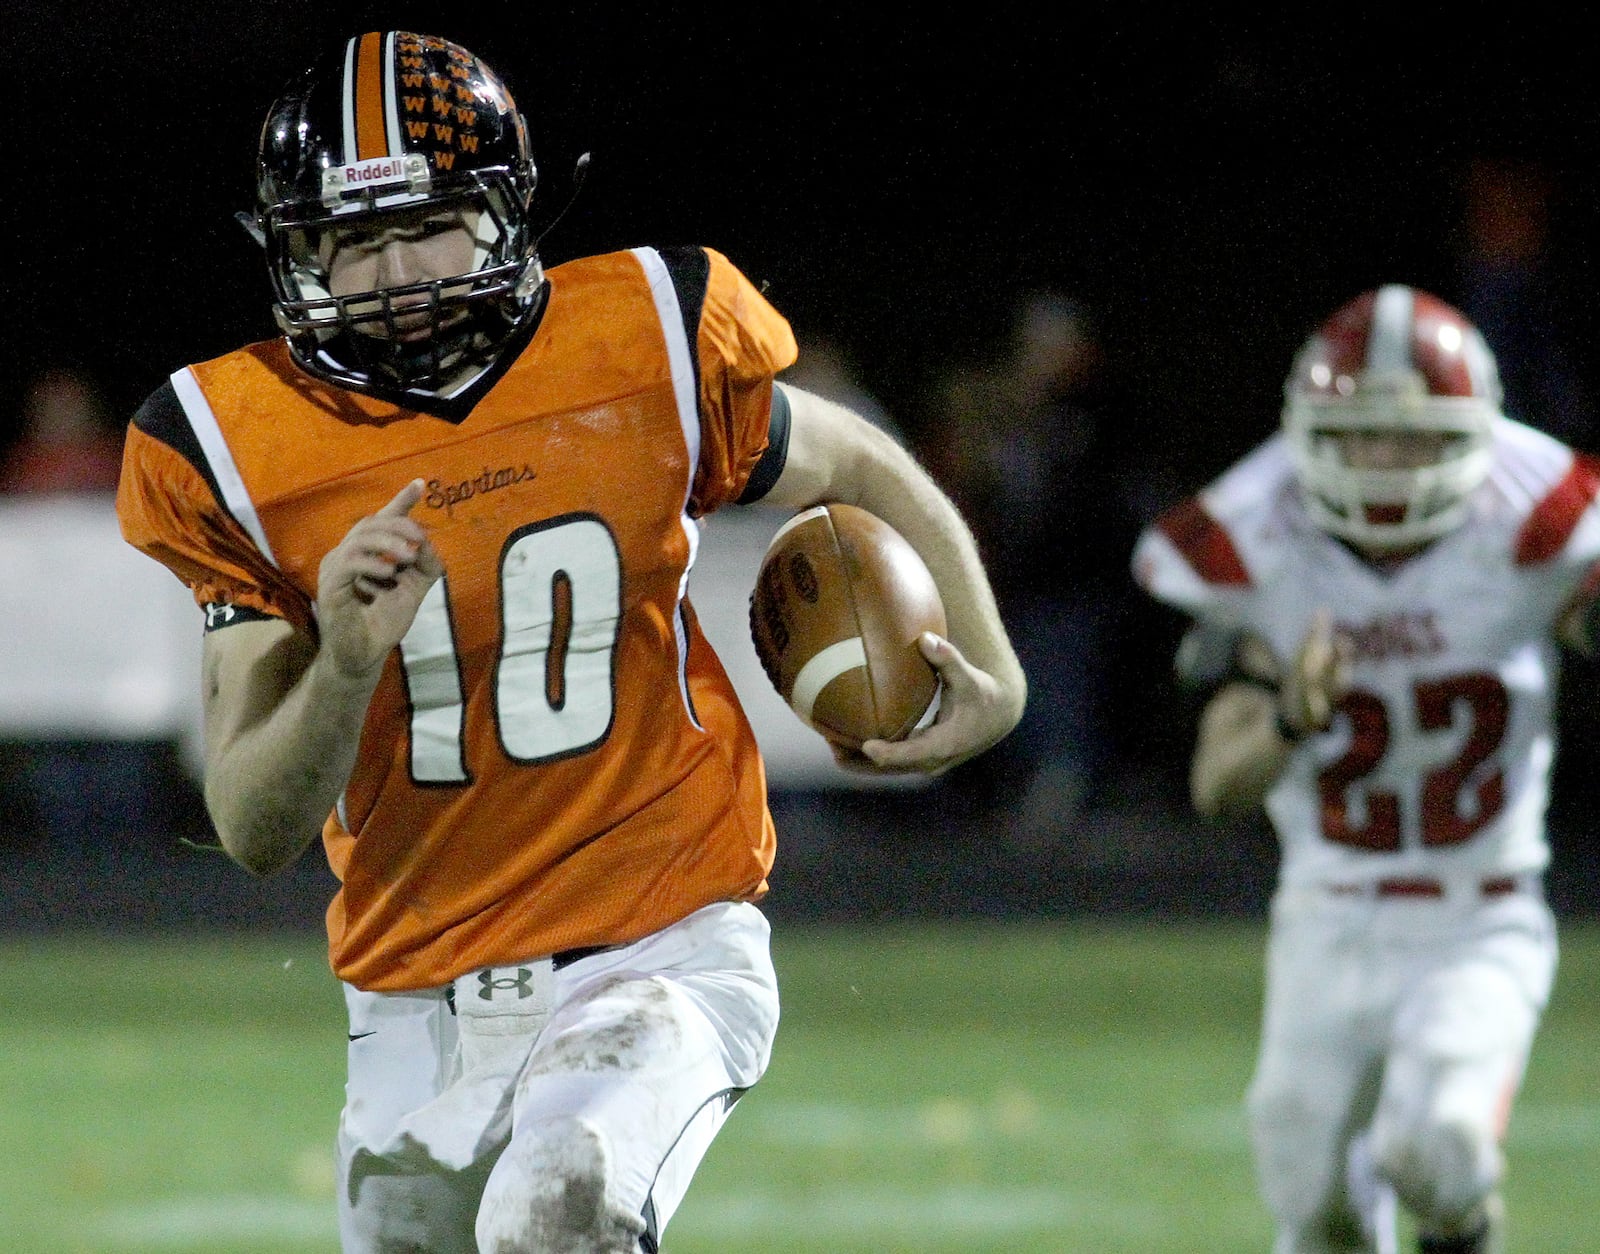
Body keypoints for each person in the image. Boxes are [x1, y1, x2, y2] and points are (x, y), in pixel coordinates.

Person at [115, 30, 1025, 1254]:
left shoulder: (646, 336)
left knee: (563, 1201)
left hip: (659, 944)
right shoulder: (228, 445)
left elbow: (852, 458)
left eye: (425, 224)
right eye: (351, 240)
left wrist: (994, 671)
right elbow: (254, 827)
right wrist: (341, 661)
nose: (392, 270)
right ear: (296, 252)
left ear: (502, 212)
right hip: (412, 1002)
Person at [1132, 285, 1590, 1254]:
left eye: (1414, 437)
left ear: (1476, 431)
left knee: (1439, 1144)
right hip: (1326, 912)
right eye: (1363, 435)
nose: (1387, 461)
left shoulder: (1537, 519)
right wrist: (1294, 716)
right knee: (1310, 1206)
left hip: (1481, 910)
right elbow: (1218, 786)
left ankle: (1462, 1227)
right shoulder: (1256, 536)